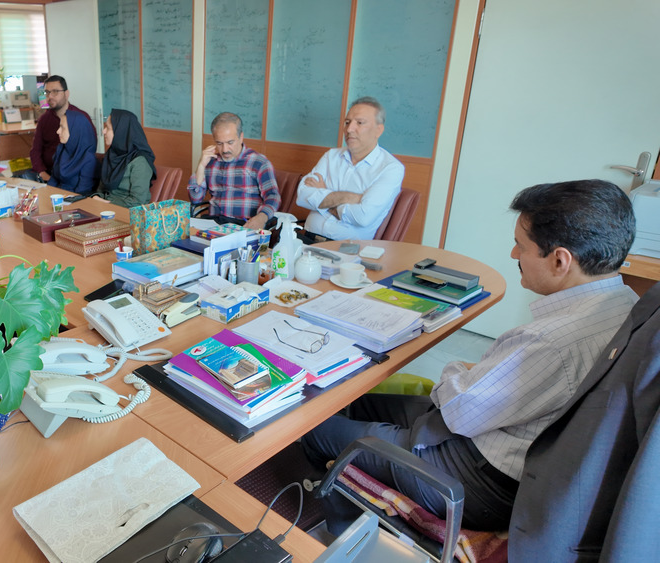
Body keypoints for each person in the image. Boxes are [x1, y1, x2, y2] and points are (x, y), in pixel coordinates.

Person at [301, 179, 638, 532]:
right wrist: (474, 374)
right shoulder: (626, 304)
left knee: (314, 427)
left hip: (476, 476)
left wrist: (459, 369)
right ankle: (346, 485)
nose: (514, 255)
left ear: (559, 260)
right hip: (495, 440)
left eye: (521, 246)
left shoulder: (551, 341)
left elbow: (460, 408)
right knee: (356, 403)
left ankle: (330, 515)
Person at [295, 96, 405, 241]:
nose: (349, 129)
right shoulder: (331, 156)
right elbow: (302, 196)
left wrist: (324, 196)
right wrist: (348, 197)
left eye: (359, 123)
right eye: (347, 122)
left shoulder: (391, 168)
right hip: (306, 238)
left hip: (346, 249)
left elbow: (362, 217)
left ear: (378, 130)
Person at [187, 112, 279, 229]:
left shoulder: (259, 163)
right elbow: (195, 199)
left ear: (241, 137)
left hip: (243, 225)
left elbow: (273, 196)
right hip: (214, 224)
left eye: (230, 142)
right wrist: (201, 165)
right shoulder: (211, 162)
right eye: (219, 143)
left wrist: (262, 217)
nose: (225, 149)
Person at [27, 75, 96, 183]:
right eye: (47, 92)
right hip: (48, 175)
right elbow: (35, 150)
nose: (50, 96)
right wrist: (42, 173)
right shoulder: (44, 119)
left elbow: (90, 149)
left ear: (66, 94)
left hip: (73, 177)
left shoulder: (81, 117)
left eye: (55, 92)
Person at [92, 109, 156, 208]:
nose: (103, 131)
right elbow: (101, 191)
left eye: (108, 128)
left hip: (127, 212)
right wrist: (96, 197)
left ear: (121, 131)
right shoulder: (111, 154)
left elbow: (137, 202)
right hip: (106, 209)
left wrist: (105, 203)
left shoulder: (140, 161)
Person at [47, 109, 97, 194]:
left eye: (62, 128)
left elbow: (82, 193)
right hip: (57, 197)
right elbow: (53, 181)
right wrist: (45, 195)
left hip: (73, 199)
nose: (58, 131)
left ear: (75, 131)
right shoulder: (61, 150)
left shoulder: (89, 159)